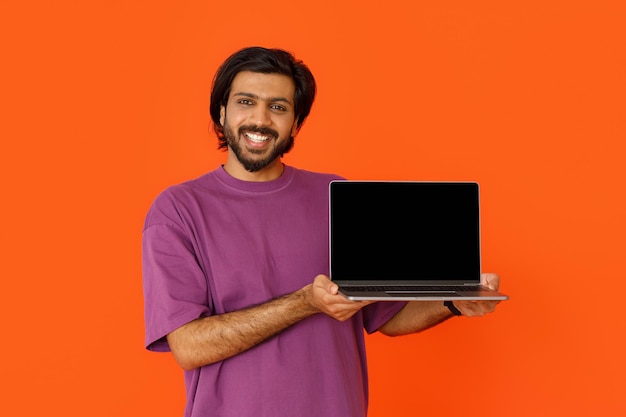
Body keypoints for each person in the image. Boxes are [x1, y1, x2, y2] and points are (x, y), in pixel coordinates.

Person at [142, 46, 502, 417]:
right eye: (246, 102)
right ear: (221, 112)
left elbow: (386, 316)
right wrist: (304, 303)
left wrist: (452, 303)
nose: (260, 119)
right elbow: (188, 346)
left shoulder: (335, 197)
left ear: (296, 123)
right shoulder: (178, 210)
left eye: (278, 107)